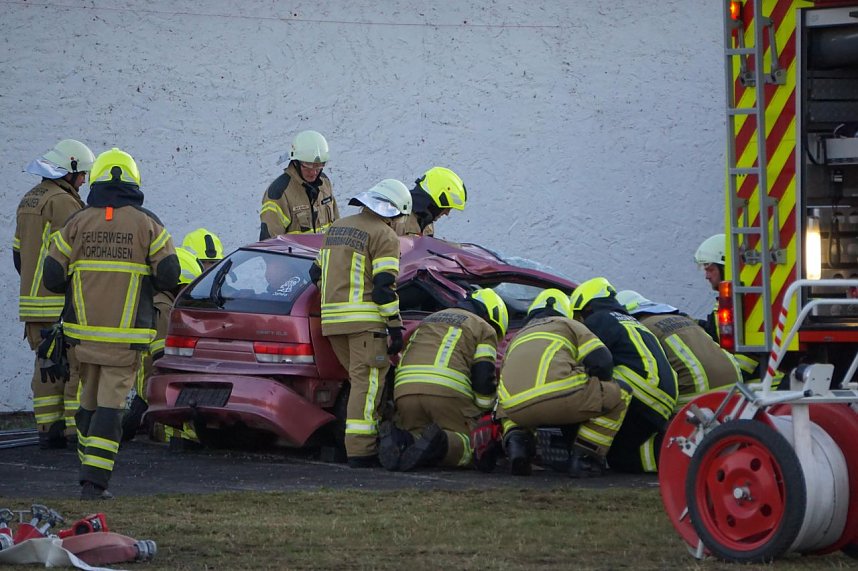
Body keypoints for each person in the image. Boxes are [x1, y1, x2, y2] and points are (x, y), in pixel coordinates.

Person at [43, 147, 180, 500]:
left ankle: (88, 467)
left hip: (81, 337)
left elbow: (52, 276)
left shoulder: (77, 222)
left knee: (87, 402)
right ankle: (95, 482)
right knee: (110, 408)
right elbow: (169, 275)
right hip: (124, 338)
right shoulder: (148, 223)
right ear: (134, 181)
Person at [308, 179, 412, 468]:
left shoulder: (337, 228)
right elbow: (383, 287)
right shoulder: (385, 236)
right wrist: (394, 325)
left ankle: (360, 445)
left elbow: (313, 273)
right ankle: (361, 451)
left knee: (358, 384)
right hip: (366, 325)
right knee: (367, 386)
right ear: (396, 213)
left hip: (333, 324)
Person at [14, 139, 96, 449]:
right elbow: (76, 255)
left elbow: (18, 255)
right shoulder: (63, 203)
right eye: (83, 174)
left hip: (32, 305)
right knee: (74, 367)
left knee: (46, 366)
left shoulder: (29, 199)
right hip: (60, 303)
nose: (85, 181)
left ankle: (47, 428)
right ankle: (74, 434)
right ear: (69, 170)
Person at [497, 289, 631, 477]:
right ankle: (585, 459)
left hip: (517, 410)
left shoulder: (517, 337)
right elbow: (603, 362)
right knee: (622, 392)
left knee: (508, 395)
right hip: (561, 397)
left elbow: (505, 377)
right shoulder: (570, 325)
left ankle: (518, 444)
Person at [379, 288, 508, 472]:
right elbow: (483, 376)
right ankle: (440, 444)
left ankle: (400, 440)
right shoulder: (484, 328)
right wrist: (484, 411)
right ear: (492, 317)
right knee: (471, 443)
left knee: (418, 435)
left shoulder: (428, 320)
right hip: (446, 392)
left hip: (405, 392)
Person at [569, 277, 678, 474]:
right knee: (620, 458)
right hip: (661, 402)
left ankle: (583, 454)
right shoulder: (633, 322)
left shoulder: (598, 319)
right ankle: (671, 456)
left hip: (638, 396)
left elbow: (590, 360)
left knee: (579, 387)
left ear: (584, 308)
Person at [122, 247, 202, 444]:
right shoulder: (164, 310)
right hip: (158, 391)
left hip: (147, 389)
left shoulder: (157, 302)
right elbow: (163, 361)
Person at [259, 130, 339, 238]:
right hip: (296, 255)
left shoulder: (325, 183)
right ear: (295, 162)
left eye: (319, 166)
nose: (314, 172)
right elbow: (270, 244)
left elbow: (337, 226)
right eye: (307, 165)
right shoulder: (279, 192)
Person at [393, 167, 466, 237]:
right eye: (447, 208)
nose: (447, 213)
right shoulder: (397, 219)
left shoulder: (427, 224)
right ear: (436, 203)